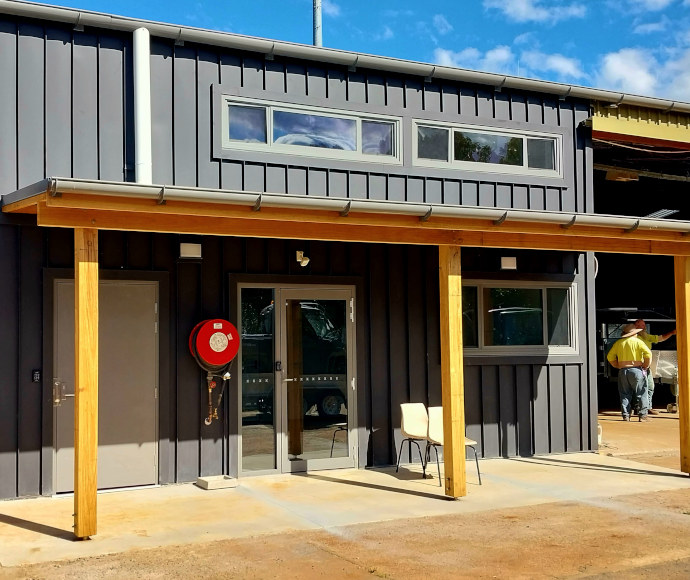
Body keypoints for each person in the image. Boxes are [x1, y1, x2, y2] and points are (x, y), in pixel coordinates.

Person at [606, 323, 652, 422]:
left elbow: (610, 357)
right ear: (634, 333)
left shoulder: (619, 343)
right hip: (636, 370)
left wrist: (617, 365)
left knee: (624, 394)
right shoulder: (638, 342)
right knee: (641, 392)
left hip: (623, 371)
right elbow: (648, 354)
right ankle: (643, 416)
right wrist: (646, 365)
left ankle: (626, 415)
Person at [634, 319, 676, 415]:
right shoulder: (634, 338)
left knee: (649, 387)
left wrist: (672, 333)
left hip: (646, 366)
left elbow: (660, 338)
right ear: (635, 327)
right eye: (641, 326)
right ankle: (639, 407)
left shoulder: (646, 336)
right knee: (640, 387)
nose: (644, 327)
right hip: (638, 366)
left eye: (644, 325)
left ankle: (647, 407)